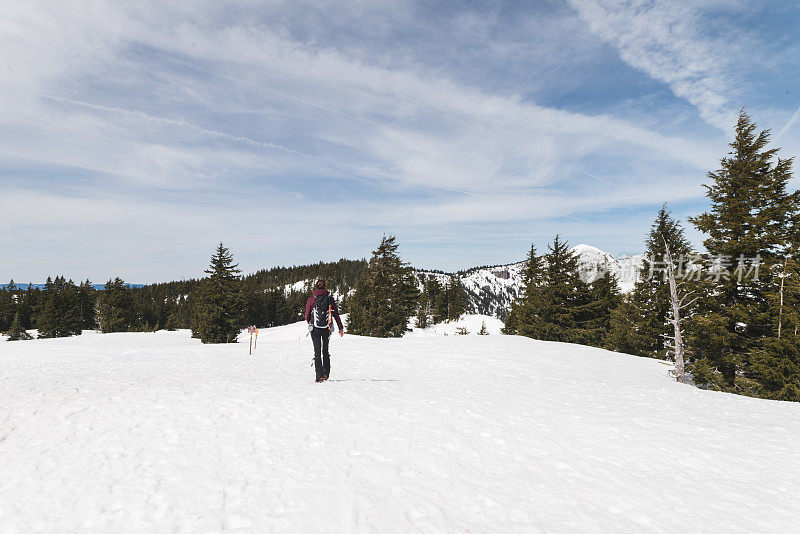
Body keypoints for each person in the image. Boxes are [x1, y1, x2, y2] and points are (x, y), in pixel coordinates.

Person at [305, 279, 344, 382]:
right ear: (325, 287)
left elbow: (306, 315)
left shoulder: (311, 299)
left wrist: (310, 322)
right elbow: (336, 314)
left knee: (317, 352)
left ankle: (319, 376)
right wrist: (340, 328)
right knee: (325, 350)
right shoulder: (329, 299)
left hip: (315, 329)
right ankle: (326, 373)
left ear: (316, 287)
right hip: (326, 328)